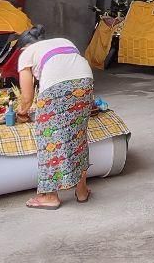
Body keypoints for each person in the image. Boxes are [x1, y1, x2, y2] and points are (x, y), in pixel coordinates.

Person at [14, 26, 96, 209]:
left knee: (49, 140)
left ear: (23, 47)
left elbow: (27, 98)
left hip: (56, 90)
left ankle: (50, 197)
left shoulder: (26, 54)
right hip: (85, 83)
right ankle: (82, 191)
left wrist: (21, 113)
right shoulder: (64, 42)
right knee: (78, 137)